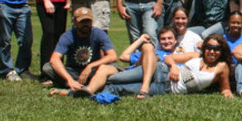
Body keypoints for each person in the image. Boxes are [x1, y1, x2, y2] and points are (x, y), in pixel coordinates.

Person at [100, 33, 233, 98]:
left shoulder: (222, 67)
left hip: (166, 88)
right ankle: (94, 80)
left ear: (222, 51)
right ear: (204, 48)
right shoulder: (196, 56)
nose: (212, 51)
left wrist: (228, 95)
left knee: (120, 88)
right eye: (209, 47)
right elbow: (168, 57)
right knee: (116, 78)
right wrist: (174, 66)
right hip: (160, 70)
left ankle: (98, 91)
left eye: (216, 49)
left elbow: (225, 88)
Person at [42, 7, 118, 95]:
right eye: (82, 21)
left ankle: (79, 86)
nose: (85, 24)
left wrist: (90, 66)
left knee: (112, 67)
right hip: (73, 72)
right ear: (75, 22)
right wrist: (69, 79)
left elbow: (112, 56)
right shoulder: (68, 36)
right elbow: (54, 59)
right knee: (48, 67)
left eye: (88, 21)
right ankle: (78, 84)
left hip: (93, 71)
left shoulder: (99, 33)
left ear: (92, 21)